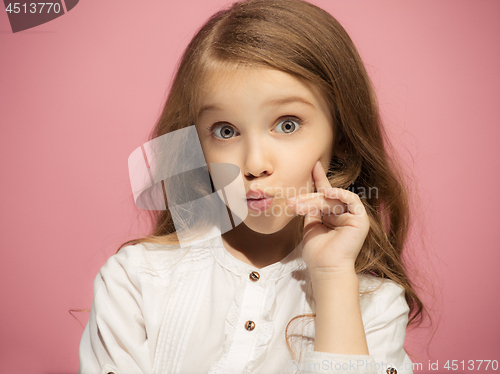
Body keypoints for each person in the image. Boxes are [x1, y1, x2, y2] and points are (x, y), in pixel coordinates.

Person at [78, 0, 426, 373]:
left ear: (340, 134)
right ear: (196, 145)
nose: (255, 165)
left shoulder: (374, 306)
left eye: (287, 124)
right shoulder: (137, 280)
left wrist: (332, 279)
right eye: (225, 131)